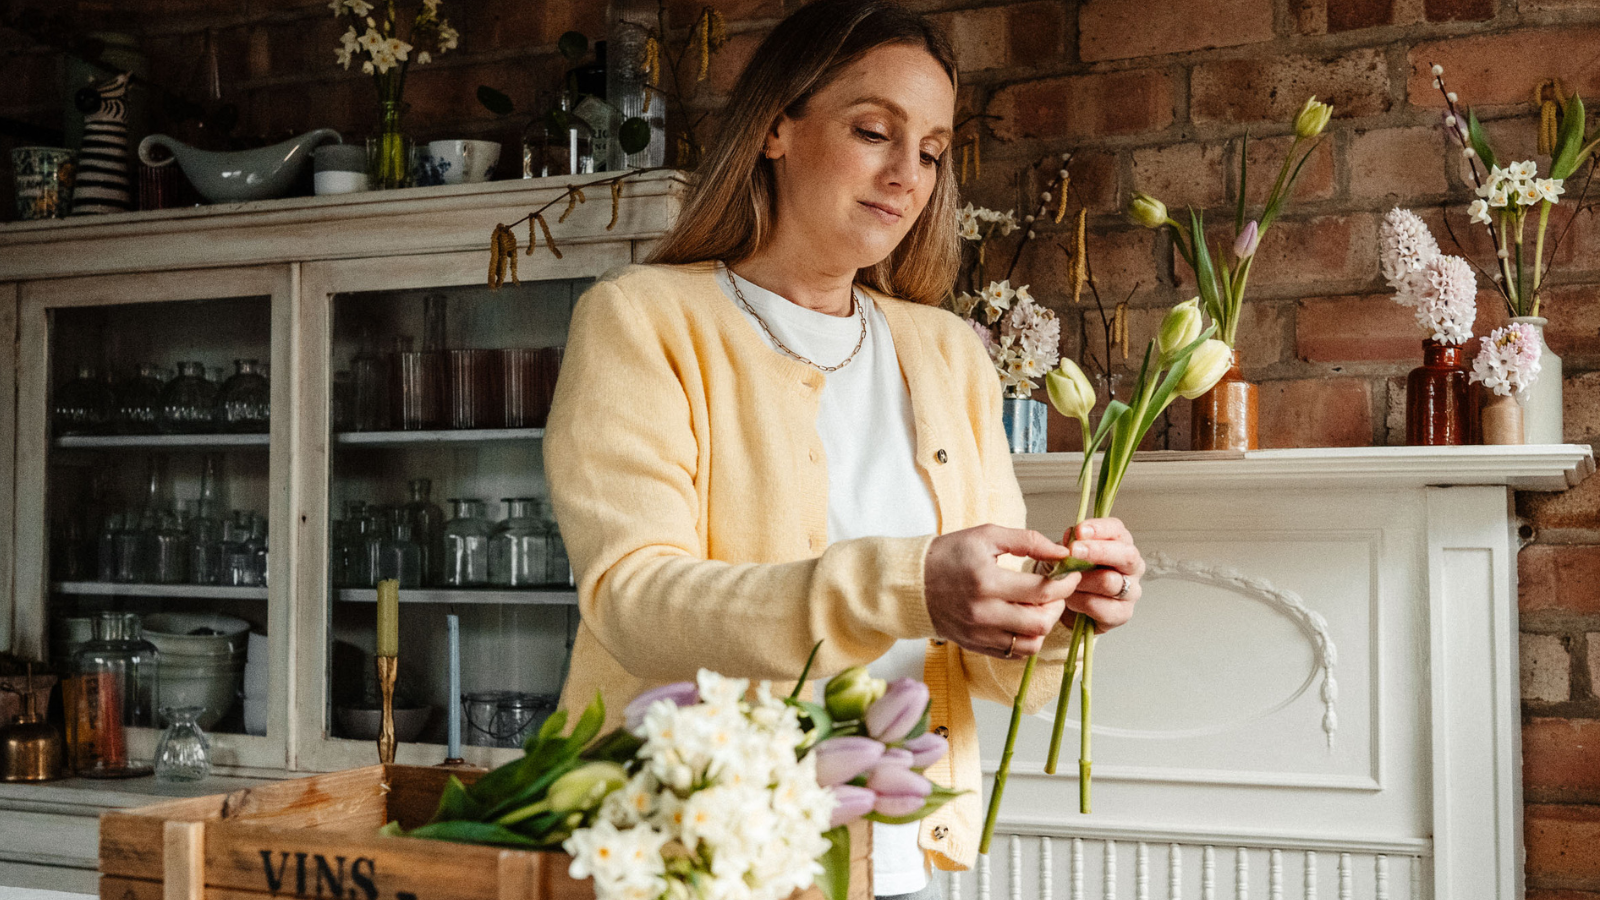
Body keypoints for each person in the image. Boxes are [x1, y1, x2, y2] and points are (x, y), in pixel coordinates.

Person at [543, 1, 1145, 897]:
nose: (908, 175)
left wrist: (1053, 615)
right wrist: (909, 586)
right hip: (696, 845)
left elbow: (982, 667)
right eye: (874, 131)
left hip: (892, 849)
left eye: (933, 152)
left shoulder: (949, 355)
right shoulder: (641, 320)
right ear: (777, 128)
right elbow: (632, 599)